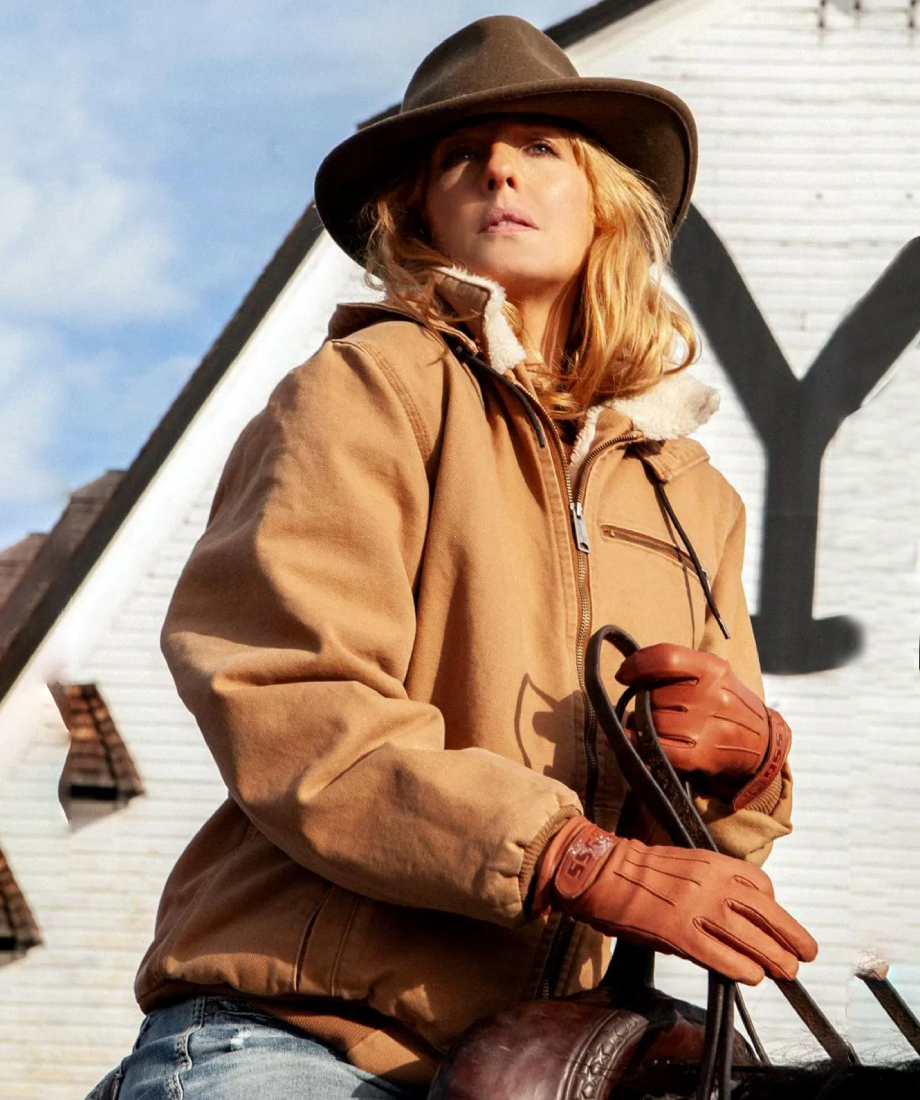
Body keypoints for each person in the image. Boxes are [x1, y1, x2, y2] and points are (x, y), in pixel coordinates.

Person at [86, 15, 817, 1100]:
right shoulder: (365, 384)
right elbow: (287, 692)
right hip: (299, 1034)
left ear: (601, 199)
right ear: (419, 210)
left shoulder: (687, 486)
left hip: (537, 1060)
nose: (496, 170)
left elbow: (718, 843)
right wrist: (569, 856)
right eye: (459, 157)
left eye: (538, 148)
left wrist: (746, 761)